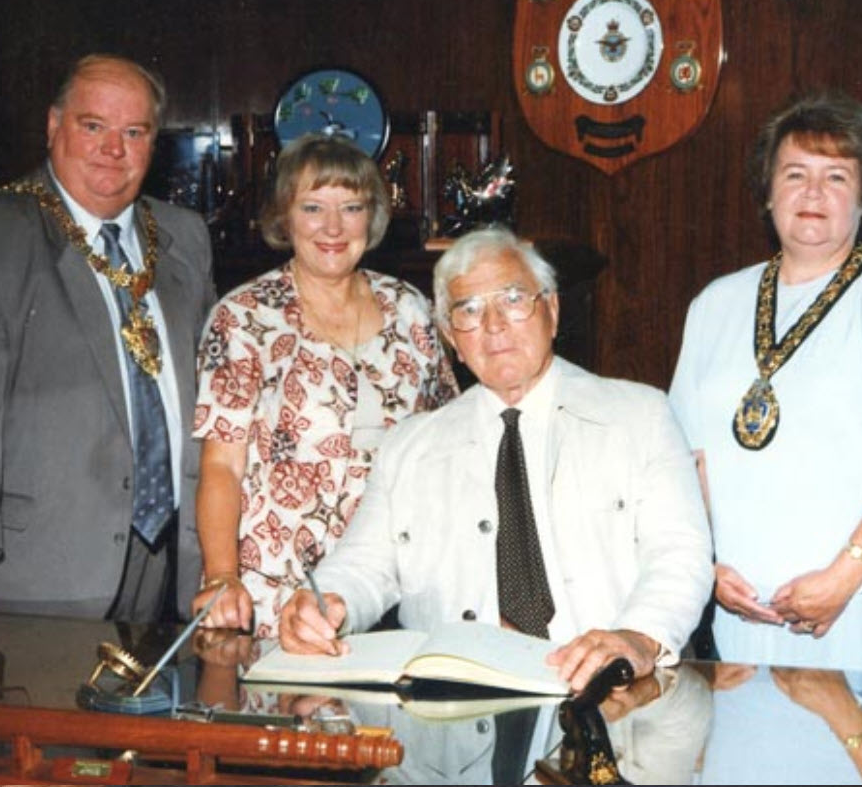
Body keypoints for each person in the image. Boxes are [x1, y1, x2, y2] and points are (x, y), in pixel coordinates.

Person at [277, 227, 713, 690]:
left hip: (608, 695)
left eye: (512, 299)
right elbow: (363, 564)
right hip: (456, 715)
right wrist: (325, 603)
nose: (494, 325)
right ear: (450, 339)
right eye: (468, 310)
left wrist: (639, 637)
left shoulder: (639, 416)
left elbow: (679, 554)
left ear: (552, 309)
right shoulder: (409, 447)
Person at [0, 54, 216, 640]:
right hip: (31, 574)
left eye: (134, 132)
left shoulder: (183, 237)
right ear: (53, 127)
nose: (112, 149)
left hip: (163, 569)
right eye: (92, 125)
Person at [668, 91, 862, 675]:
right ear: (768, 191)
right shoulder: (715, 305)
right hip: (750, 608)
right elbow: (692, 457)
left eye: (836, 176)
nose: (812, 193)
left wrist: (845, 574)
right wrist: (705, 565)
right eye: (795, 174)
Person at [190, 134, 458, 637]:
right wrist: (224, 576)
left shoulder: (409, 308)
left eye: (351, 207)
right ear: (284, 217)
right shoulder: (244, 318)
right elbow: (221, 466)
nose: (333, 227)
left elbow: (447, 442)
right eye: (312, 207)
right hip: (279, 590)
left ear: (372, 217)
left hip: (397, 584)